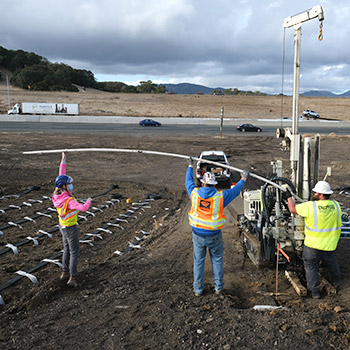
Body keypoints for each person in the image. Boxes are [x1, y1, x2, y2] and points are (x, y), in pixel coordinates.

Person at [186, 158, 249, 296]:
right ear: (215, 184)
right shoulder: (220, 197)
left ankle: (198, 289)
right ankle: (218, 288)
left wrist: (190, 166)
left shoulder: (194, 194)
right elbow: (236, 190)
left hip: (198, 234)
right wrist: (243, 178)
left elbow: (188, 182)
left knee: (198, 262)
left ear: (203, 182)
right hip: (214, 235)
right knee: (217, 260)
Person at [286, 181, 342, 299]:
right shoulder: (336, 205)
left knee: (311, 267)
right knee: (332, 262)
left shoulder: (310, 206)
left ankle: (314, 292)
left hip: (313, 245)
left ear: (321, 195)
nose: (314, 193)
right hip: (330, 244)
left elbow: (292, 209)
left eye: (316, 192)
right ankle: (337, 281)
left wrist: (288, 197)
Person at [52, 152, 92, 288]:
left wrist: (63, 159)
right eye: (69, 184)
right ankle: (72, 277)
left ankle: (64, 272)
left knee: (66, 249)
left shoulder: (57, 195)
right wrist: (89, 201)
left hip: (62, 226)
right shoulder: (69, 201)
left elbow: (61, 174)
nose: (71, 186)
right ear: (64, 187)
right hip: (70, 227)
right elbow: (83, 208)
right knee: (74, 251)